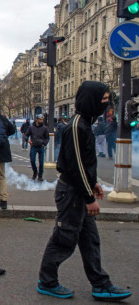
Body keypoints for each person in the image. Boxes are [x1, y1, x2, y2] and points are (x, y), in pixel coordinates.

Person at [37, 81, 132, 301]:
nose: (106, 104)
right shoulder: (77, 125)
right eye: (104, 100)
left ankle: (100, 284)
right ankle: (47, 281)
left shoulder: (84, 123)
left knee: (90, 240)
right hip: (72, 193)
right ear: (91, 99)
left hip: (78, 189)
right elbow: (77, 166)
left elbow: (83, 164)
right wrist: (89, 197)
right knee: (64, 238)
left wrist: (94, 182)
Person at [25, 114, 49, 181]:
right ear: (37, 119)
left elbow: (47, 138)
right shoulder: (31, 128)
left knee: (41, 162)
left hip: (41, 146)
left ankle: (40, 176)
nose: (41, 121)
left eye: (42, 119)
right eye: (40, 119)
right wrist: (28, 141)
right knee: (32, 160)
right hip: (34, 146)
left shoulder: (45, 128)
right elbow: (26, 135)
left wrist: (44, 143)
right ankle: (35, 172)